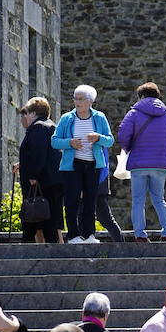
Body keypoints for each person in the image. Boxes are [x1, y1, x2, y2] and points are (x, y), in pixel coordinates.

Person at [118, 82, 166, 243]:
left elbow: (123, 135)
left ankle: (140, 235)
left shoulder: (133, 114)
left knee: (138, 200)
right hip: (161, 164)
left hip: (139, 164)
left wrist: (129, 149)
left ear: (141, 96)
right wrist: (165, 154)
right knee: (159, 199)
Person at [51, 84, 115, 244]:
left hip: (93, 165)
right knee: (72, 201)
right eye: (75, 98)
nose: (76, 102)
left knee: (90, 200)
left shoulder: (99, 117)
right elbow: (54, 141)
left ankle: (89, 235)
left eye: (80, 99)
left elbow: (110, 140)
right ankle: (73, 235)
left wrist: (98, 137)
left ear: (90, 101)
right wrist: (70, 143)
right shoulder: (67, 118)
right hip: (72, 166)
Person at [17, 97, 64, 243]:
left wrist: (32, 174)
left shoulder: (38, 127)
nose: (25, 115)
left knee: (37, 218)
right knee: (49, 219)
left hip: (42, 182)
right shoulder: (50, 126)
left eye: (26, 112)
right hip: (52, 180)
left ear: (33, 113)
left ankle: (31, 249)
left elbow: (38, 153)